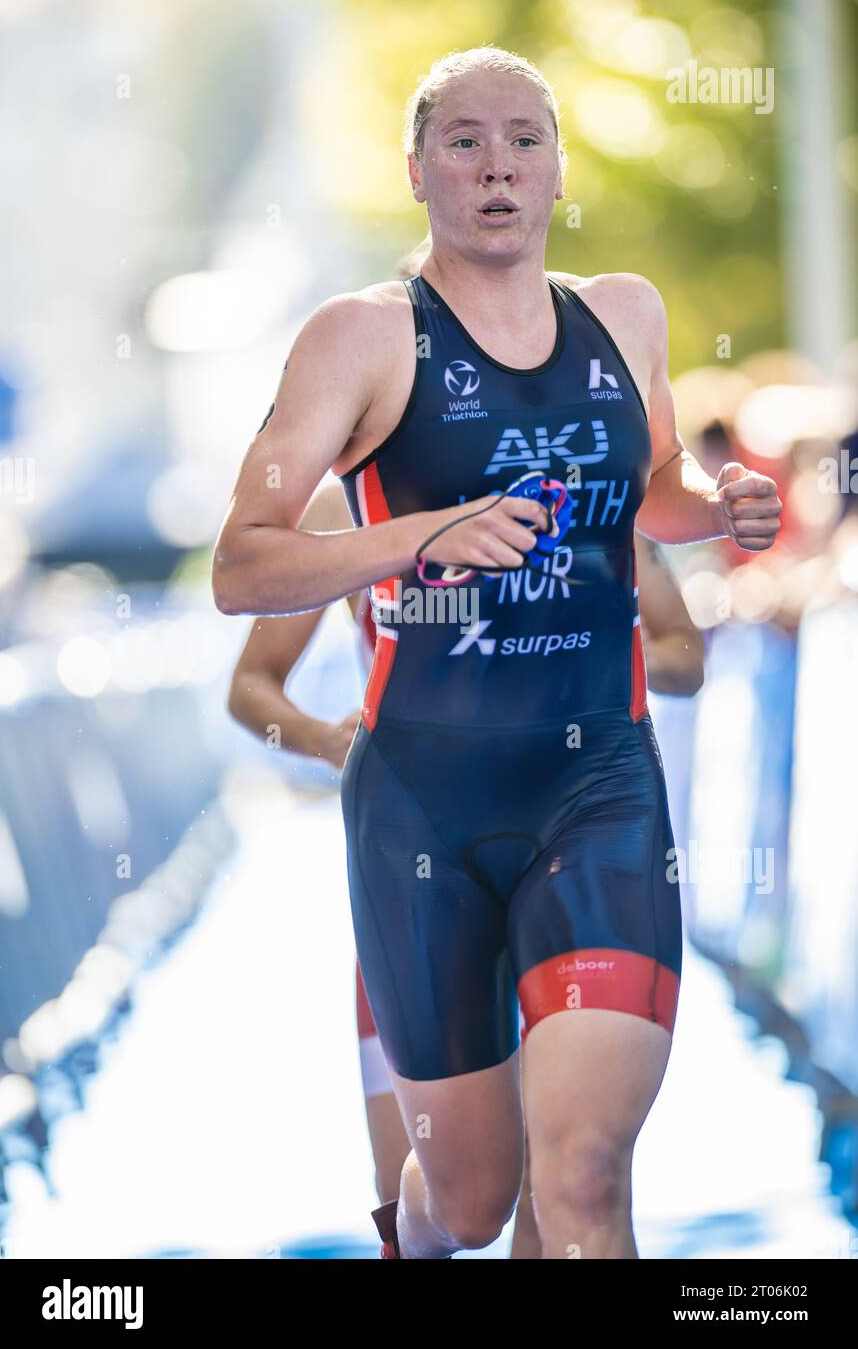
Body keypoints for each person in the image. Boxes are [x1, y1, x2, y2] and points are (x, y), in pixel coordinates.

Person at [212, 45, 781, 1259]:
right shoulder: (357, 339)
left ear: (559, 167)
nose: (497, 169)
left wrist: (715, 504)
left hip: (598, 787)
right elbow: (240, 566)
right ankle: (414, 1239)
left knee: (579, 1176)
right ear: (416, 171)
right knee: (470, 1202)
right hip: (422, 803)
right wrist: (420, 538)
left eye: (524, 140)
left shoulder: (622, 312)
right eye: (463, 142)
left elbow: (654, 482)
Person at [227, 477, 703, 1257]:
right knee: (434, 1209)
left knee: (567, 1186)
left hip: (566, 860)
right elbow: (250, 683)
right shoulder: (341, 504)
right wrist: (325, 740)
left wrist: (592, 633)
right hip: (424, 872)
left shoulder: (586, 475)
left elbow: (686, 655)